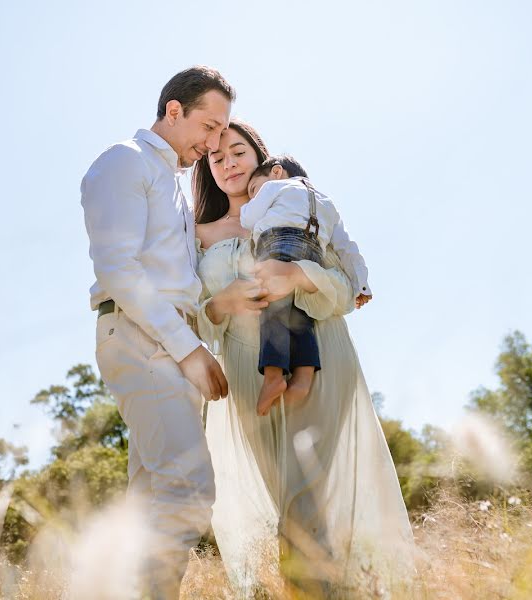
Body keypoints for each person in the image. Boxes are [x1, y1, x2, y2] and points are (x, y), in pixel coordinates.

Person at [193, 122, 415, 596]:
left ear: (261, 159)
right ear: (207, 169)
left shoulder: (297, 204)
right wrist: (222, 303)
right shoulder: (197, 235)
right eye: (217, 158)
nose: (228, 163)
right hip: (245, 376)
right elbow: (190, 317)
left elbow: (345, 289)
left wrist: (296, 274)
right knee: (282, 507)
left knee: (307, 509)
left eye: (238, 152)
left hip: (317, 359)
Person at [80, 65, 233, 599]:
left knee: (147, 501)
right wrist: (188, 349)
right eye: (209, 127)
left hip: (167, 344)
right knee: (190, 489)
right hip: (145, 341)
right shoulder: (124, 162)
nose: (214, 143)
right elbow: (118, 269)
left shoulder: (173, 186)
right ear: (173, 110)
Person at [242, 154, 373, 416]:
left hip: (277, 243)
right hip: (312, 254)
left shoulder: (274, 187)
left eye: (253, 190)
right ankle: (303, 377)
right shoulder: (327, 203)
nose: (253, 196)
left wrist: (250, 207)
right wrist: (362, 284)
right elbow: (348, 248)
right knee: (302, 313)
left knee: (273, 307)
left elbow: (248, 219)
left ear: (276, 172)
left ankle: (273, 375)